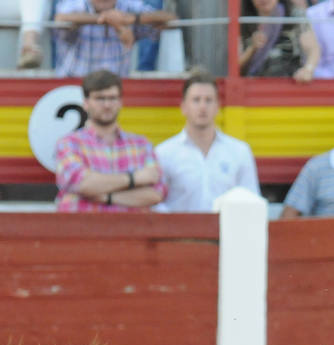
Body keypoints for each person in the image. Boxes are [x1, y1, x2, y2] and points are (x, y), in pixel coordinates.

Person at [55, 69, 166, 212]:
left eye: (112, 98)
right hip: (81, 231)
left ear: (120, 102)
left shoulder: (141, 145)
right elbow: (81, 183)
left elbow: (156, 193)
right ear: (86, 103)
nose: (107, 105)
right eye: (100, 98)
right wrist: (134, 179)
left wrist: (107, 197)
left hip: (131, 232)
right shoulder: (69, 143)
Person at [155, 70, 261, 212]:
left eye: (208, 100)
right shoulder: (164, 153)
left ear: (217, 106)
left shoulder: (239, 151)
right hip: (180, 233)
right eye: (196, 100)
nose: (202, 106)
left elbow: (251, 201)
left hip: (227, 233)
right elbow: (156, 204)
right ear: (183, 107)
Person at [53, 0, 175, 77]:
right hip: (72, 86)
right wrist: (111, 20)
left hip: (115, 90)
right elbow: (60, 18)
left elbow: (171, 19)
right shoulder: (74, 4)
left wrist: (131, 18)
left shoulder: (128, 4)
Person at [239, 0, 320, 81]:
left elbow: (313, 49)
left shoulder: (294, 15)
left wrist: (308, 69)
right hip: (253, 87)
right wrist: (252, 48)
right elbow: (235, 67)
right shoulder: (241, 21)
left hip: (289, 85)